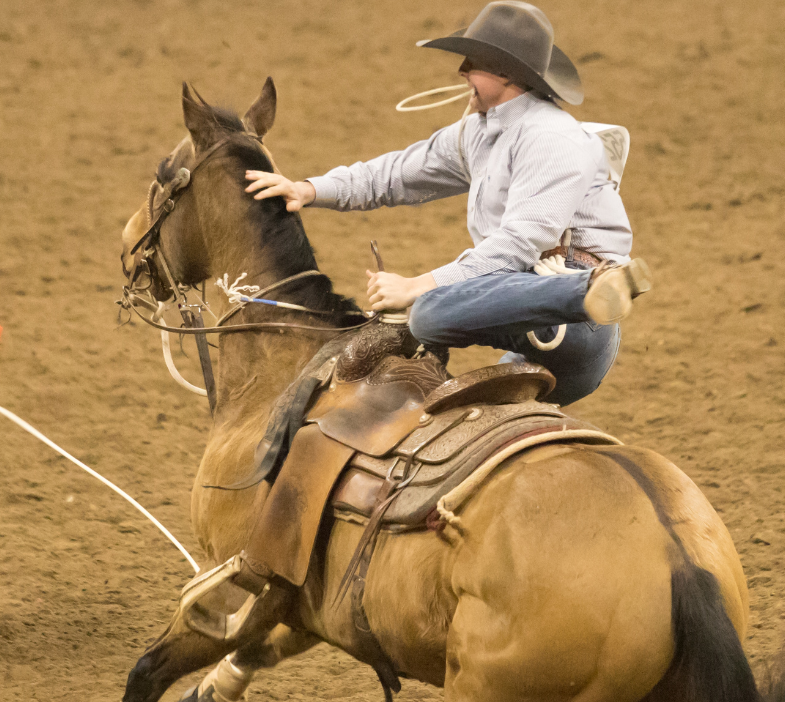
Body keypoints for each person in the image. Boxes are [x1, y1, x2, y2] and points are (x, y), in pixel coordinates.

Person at [245, 0, 651, 406]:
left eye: (472, 61)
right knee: (455, 386)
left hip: (577, 324)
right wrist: (308, 190)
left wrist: (416, 286)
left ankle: (593, 290)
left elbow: (516, 246)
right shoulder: (476, 133)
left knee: (428, 313)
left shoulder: (553, 137)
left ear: (506, 73)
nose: (461, 72)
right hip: (530, 312)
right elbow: (396, 174)